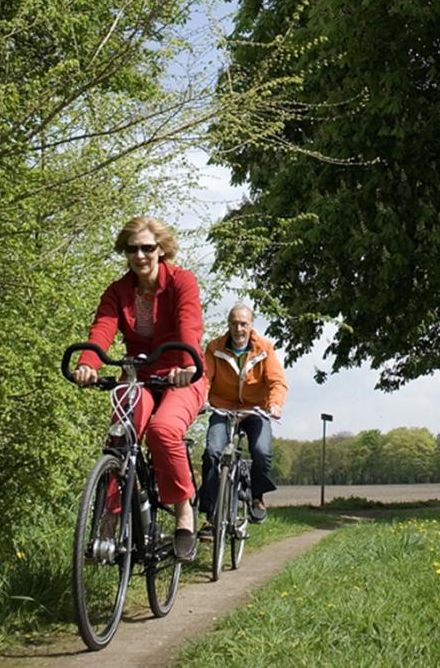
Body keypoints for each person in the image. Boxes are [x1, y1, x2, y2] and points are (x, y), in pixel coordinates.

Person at [72, 216, 206, 562]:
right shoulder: (118, 291)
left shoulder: (181, 282)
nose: (140, 255)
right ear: (125, 252)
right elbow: (103, 327)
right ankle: (107, 526)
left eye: (148, 248)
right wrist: (89, 363)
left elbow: (188, 322)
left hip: (182, 374)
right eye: (133, 249)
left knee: (163, 431)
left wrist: (188, 365)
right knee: (120, 438)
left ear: (161, 249)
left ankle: (184, 513)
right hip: (138, 375)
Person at [198, 304, 287, 538]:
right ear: (229, 325)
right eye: (235, 323)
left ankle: (257, 497)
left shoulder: (264, 348)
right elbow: (205, 379)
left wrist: (275, 404)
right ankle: (210, 515)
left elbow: (277, 381)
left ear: (251, 325)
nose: (239, 329)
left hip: (255, 410)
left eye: (244, 324)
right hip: (223, 409)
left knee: (261, 451)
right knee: (212, 452)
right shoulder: (215, 348)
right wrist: (200, 399)